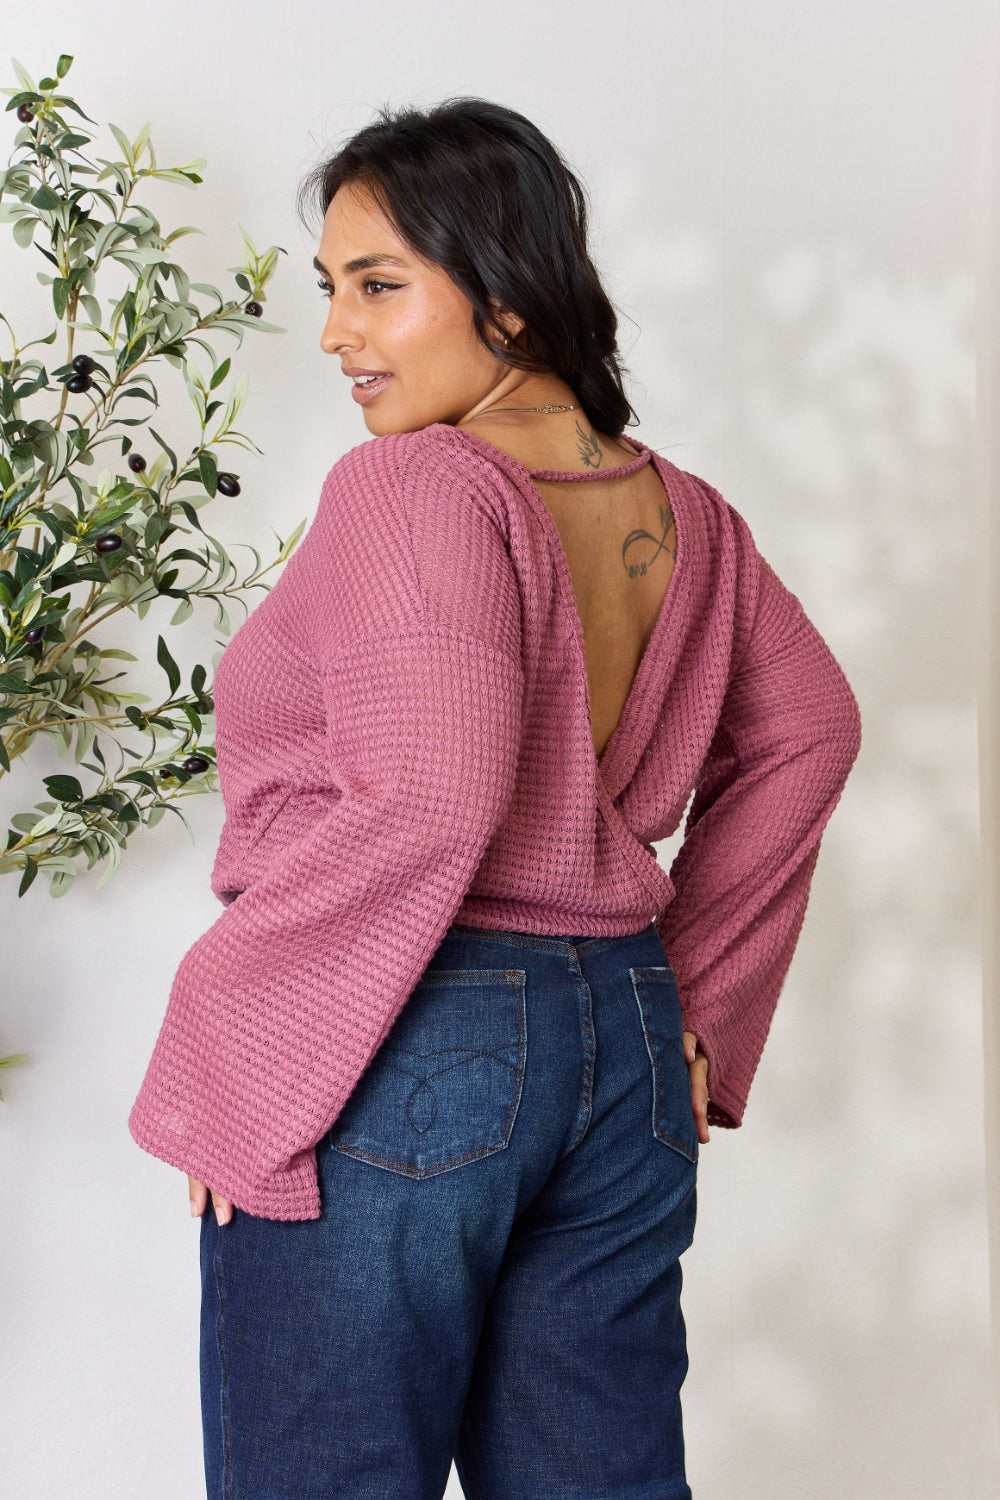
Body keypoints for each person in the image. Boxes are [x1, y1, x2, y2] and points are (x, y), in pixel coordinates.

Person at [128, 97, 862, 1500]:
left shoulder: (416, 490)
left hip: (403, 1037)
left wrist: (244, 1047)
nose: (339, 333)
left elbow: (431, 801)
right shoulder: (693, 518)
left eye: (381, 286)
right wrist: (695, 1004)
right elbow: (812, 729)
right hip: (626, 1050)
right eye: (332, 291)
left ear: (511, 296)